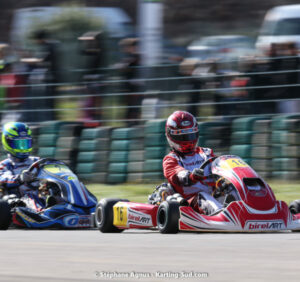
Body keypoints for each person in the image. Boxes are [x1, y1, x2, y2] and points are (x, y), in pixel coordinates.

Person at [148, 111, 224, 215]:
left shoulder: (206, 153)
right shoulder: (171, 159)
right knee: (203, 196)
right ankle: (221, 215)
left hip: (214, 195)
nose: (188, 141)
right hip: (190, 203)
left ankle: (249, 209)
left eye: (190, 135)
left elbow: (220, 167)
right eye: (183, 137)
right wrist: (191, 176)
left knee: (230, 190)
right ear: (171, 136)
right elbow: (178, 174)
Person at [0, 122, 39, 197]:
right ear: (7, 142)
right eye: (19, 144)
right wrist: (19, 178)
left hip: (40, 200)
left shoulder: (37, 161)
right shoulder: (5, 165)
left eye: (25, 143)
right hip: (17, 203)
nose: (23, 148)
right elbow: (3, 179)